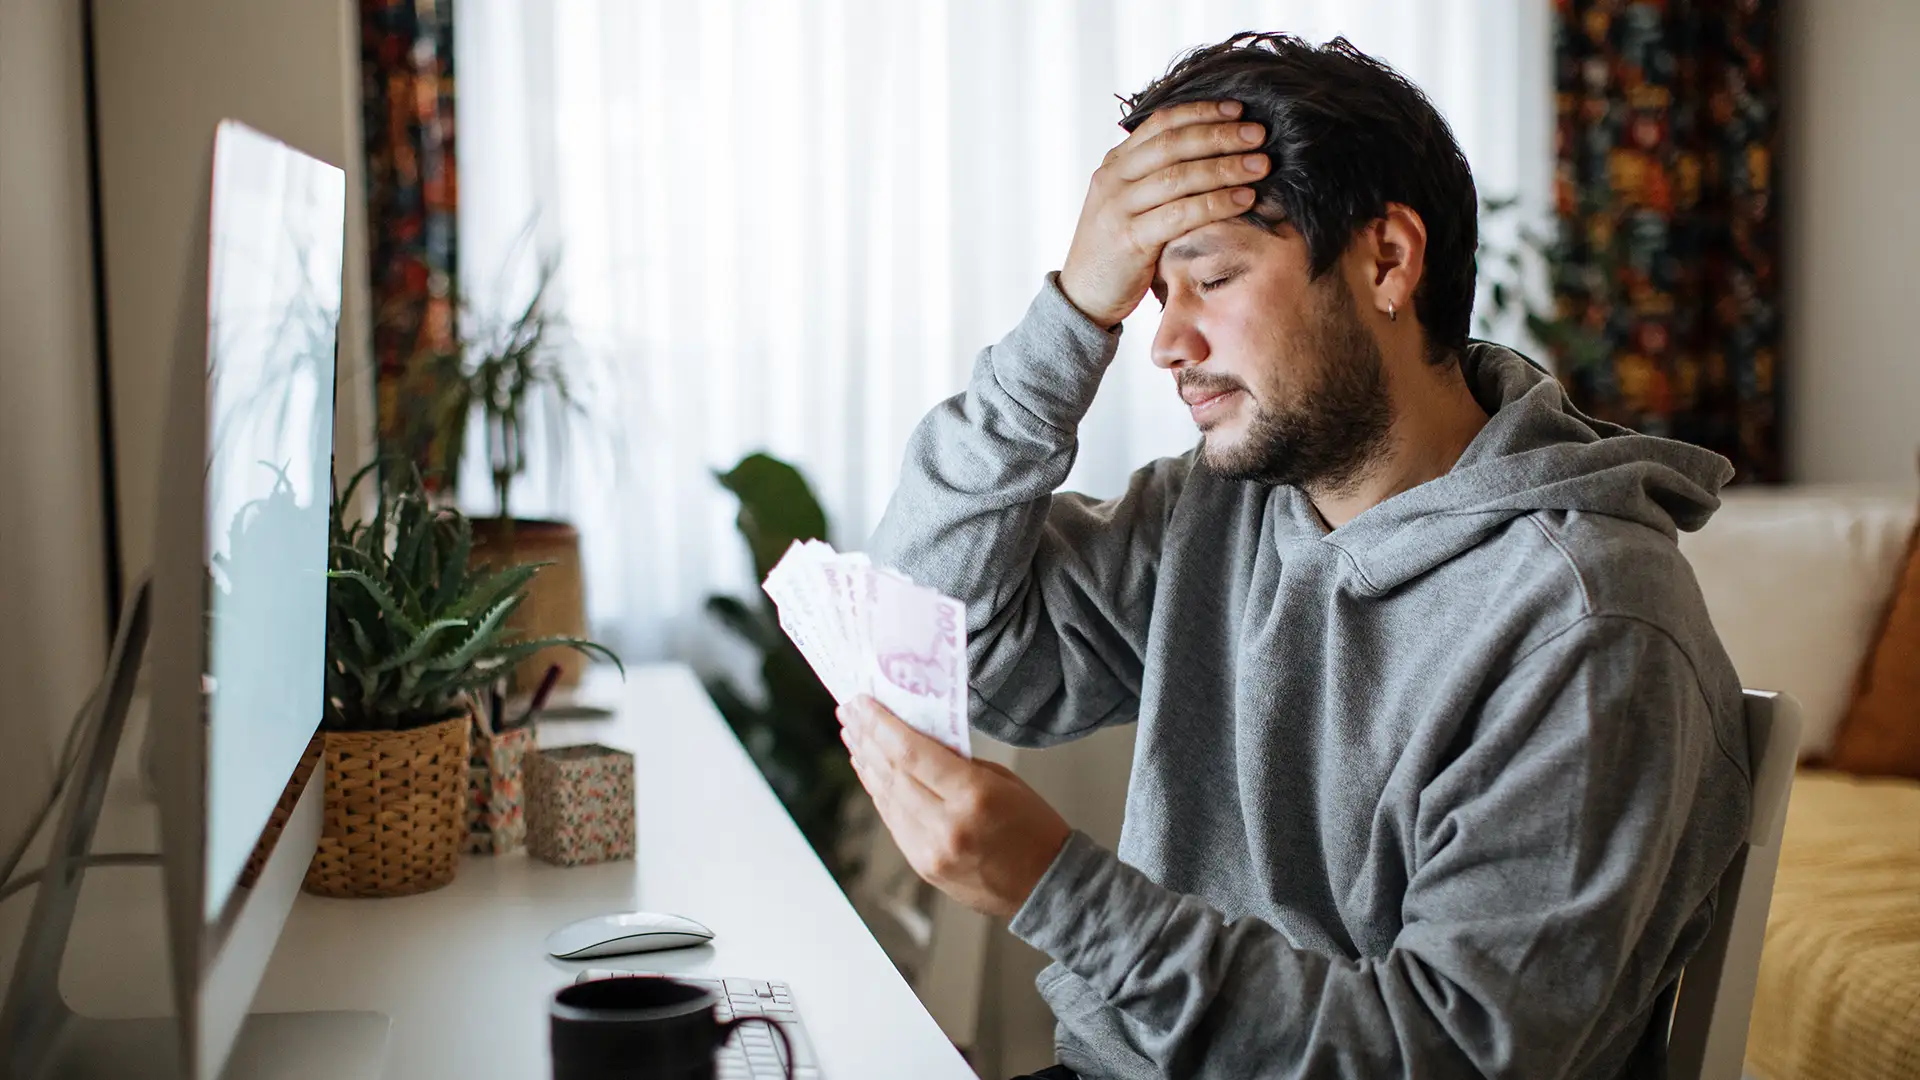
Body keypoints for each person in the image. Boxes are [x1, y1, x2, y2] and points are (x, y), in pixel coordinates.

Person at [836, 32, 1750, 1080]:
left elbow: (1447, 1056)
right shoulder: (1224, 509)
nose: (1164, 343)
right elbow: (928, 637)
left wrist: (1058, 888)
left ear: (1386, 261)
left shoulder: (1586, 621)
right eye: (1146, 294)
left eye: (1212, 277)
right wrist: (1072, 312)